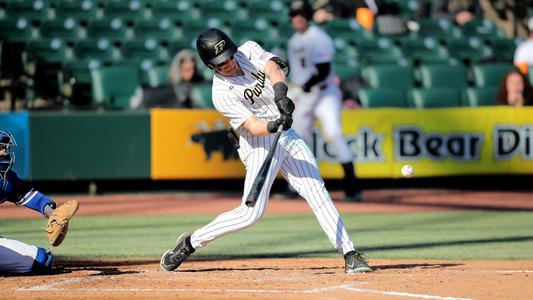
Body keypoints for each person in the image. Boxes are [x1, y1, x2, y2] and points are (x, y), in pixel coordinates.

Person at [160, 28, 372, 275]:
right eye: (220, 62)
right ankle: (190, 243)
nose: (227, 63)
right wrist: (273, 125)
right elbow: (252, 126)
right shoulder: (220, 93)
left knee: (317, 191)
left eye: (228, 56)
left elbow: (273, 67)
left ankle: (350, 254)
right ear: (210, 65)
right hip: (258, 143)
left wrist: (281, 95)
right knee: (251, 214)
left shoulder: (247, 50)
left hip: (286, 134)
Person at [286, 0, 363, 201]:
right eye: (294, 16)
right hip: (304, 95)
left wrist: (302, 88)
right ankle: (296, 187)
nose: (297, 19)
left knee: (333, 134)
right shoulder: (294, 40)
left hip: (324, 93)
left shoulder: (318, 38)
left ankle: (352, 185)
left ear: (308, 17)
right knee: (296, 138)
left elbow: (324, 71)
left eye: (300, 15)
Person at [0, 131, 79, 274]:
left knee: (42, 260)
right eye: (0, 148)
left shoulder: (6, 180)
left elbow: (31, 196)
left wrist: (52, 213)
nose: (4, 152)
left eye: (4, 148)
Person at [130, 49, 206, 109]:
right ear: (179, 70)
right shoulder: (167, 90)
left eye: (193, 69)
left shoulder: (200, 85)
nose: (191, 73)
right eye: (187, 70)